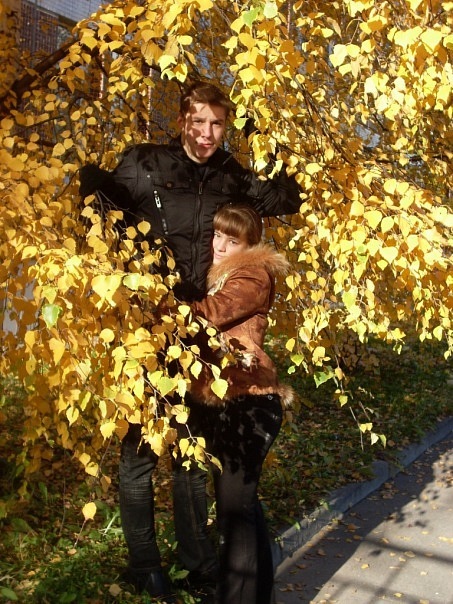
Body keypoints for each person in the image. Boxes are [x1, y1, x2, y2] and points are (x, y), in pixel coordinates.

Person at [79, 80, 301, 600]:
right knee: (139, 450)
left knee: (189, 451)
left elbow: (284, 197)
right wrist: (90, 187)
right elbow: (101, 210)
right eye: (197, 121)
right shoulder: (146, 163)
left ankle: (197, 563)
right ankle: (145, 567)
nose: (206, 133)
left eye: (217, 124)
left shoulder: (230, 174)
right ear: (181, 120)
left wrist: (263, 137)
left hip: (199, 335)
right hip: (148, 326)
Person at [187, 204, 295, 604]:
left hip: (250, 404)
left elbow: (209, 315)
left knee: (235, 515)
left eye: (232, 240)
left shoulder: (252, 274)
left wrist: (157, 304)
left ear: (249, 245)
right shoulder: (222, 276)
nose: (219, 246)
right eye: (217, 235)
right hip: (233, 403)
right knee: (242, 510)